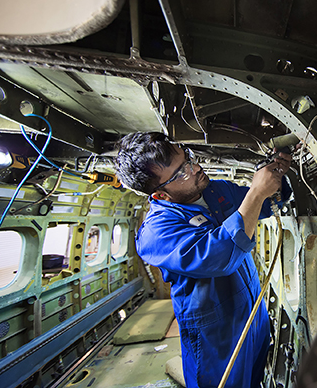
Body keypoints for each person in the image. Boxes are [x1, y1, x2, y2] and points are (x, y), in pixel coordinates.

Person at [114, 132, 292, 388]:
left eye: (188, 159)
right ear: (160, 195)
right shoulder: (157, 233)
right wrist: (255, 192)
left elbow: (268, 203)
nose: (195, 168)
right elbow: (221, 258)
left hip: (253, 313)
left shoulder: (215, 191)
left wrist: (276, 176)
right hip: (215, 335)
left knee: (254, 378)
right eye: (182, 172)